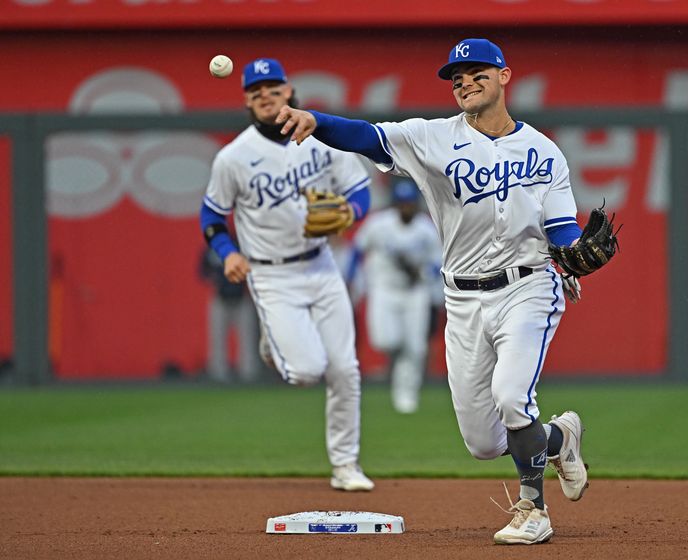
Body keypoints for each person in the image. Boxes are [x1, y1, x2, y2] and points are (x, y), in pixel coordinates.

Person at [274, 38, 593, 543]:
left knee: (513, 399)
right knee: (485, 442)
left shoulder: (544, 152)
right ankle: (558, 438)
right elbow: (365, 136)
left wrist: (573, 251)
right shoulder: (430, 138)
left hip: (527, 286)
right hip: (463, 298)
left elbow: (561, 228)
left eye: (476, 71)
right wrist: (317, 121)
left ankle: (533, 509)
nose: (465, 81)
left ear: (505, 76)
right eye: (456, 76)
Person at [199, 57, 374, 491]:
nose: (266, 97)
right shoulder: (233, 158)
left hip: (321, 263)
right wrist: (226, 253)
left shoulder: (321, 140)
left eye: (273, 89)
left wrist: (350, 212)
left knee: (345, 370)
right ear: (247, 101)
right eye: (256, 92)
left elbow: (360, 191)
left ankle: (346, 465)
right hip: (270, 274)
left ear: (289, 92)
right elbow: (212, 214)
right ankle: (273, 342)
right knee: (306, 371)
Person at [347, 179, 442, 414]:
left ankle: (406, 395)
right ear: (394, 204)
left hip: (414, 291)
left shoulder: (425, 228)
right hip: (384, 289)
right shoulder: (380, 225)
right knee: (386, 340)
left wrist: (421, 271)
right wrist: (350, 277)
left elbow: (438, 262)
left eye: (409, 204)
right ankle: (398, 366)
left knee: (416, 348)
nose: (405, 208)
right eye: (402, 204)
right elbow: (358, 249)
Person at [198, 246, 260, 382]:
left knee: (247, 340)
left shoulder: (241, 246)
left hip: (241, 298)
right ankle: (218, 377)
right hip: (220, 298)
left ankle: (249, 377)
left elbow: (255, 270)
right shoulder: (212, 249)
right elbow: (202, 271)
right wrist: (215, 277)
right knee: (218, 340)